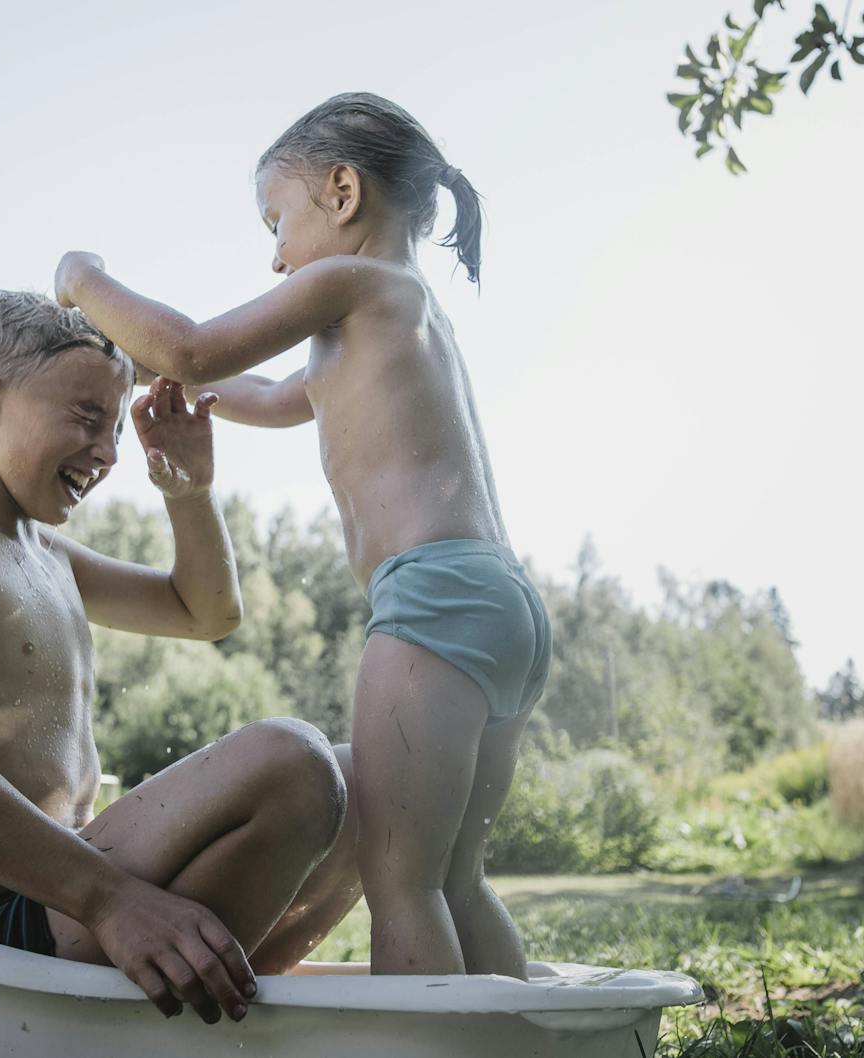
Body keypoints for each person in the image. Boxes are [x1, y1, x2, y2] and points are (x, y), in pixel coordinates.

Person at [54, 92, 550, 978]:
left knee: (403, 885)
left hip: (431, 598)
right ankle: (527, 1041)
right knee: (456, 882)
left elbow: (199, 350)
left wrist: (82, 279)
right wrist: (165, 387)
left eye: (277, 220)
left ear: (343, 192)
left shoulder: (351, 283)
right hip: (500, 606)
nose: (275, 255)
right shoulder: (396, 316)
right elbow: (257, 394)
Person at [0, 290, 354, 1025]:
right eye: (88, 419)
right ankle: (184, 1013)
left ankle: (223, 1007)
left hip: (68, 899)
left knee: (361, 783)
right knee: (293, 762)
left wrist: (191, 488)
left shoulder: (47, 555)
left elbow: (205, 611)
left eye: (117, 428)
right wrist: (111, 899)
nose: (109, 453)